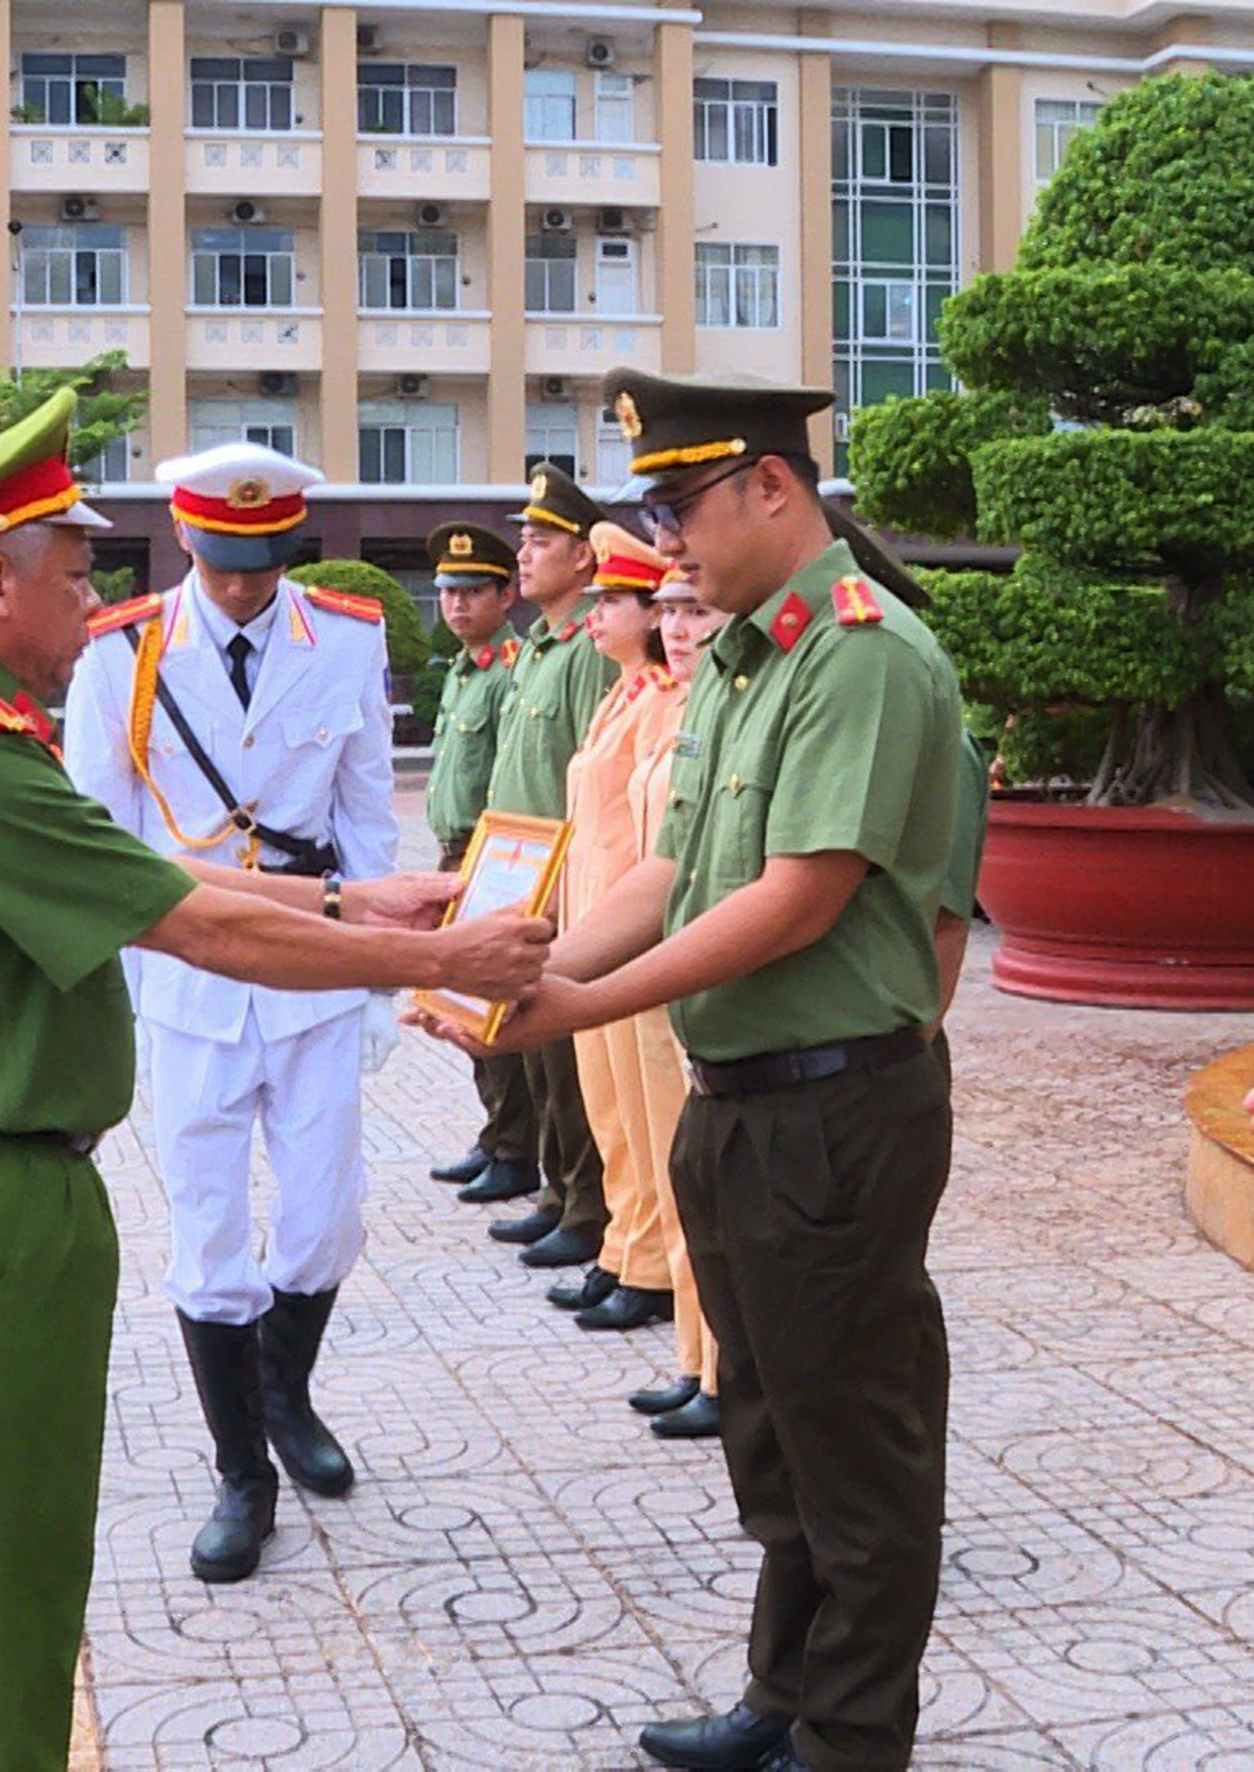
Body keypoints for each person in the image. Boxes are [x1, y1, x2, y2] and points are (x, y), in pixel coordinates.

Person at [0, 387, 550, 1772]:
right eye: (72, 569)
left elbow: (163, 874)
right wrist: (444, 947)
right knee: (8, 1557)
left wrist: (363, 900)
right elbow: (187, 920)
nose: (94, 593)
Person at [419, 368, 969, 1772]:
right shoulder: (737, 655)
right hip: (744, 1105)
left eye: (676, 504)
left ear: (769, 488)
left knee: (854, 1449)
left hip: (833, 1106)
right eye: (649, 507)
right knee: (768, 1430)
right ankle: (781, 1701)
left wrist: (574, 1005)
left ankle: (848, 1740)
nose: (657, 538)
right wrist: (535, 969)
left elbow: (795, 895)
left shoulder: (856, 652)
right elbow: (671, 869)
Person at [65, 442, 400, 1584]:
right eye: (222, 561)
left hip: (310, 965)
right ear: (184, 538)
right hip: (188, 977)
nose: (244, 584)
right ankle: (240, 1467)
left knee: (322, 1217)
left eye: (263, 562)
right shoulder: (122, 653)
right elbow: (95, 842)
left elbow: (366, 821)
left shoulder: (347, 636)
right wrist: (107, 997)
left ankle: (285, 1387)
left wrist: (379, 976)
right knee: (207, 1232)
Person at [469, 468, 615, 1264]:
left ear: (585, 559)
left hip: (567, 876)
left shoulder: (590, 647)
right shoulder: (537, 648)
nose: (522, 554)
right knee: (535, 1052)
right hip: (518, 872)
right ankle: (559, 1192)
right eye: (522, 539)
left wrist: (566, 886)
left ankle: (586, 1209)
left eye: (540, 541)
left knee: (567, 1054)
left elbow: (593, 772)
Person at [552, 523, 678, 1334]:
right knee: (608, 1108)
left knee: (648, 1109)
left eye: (612, 601)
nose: (595, 615)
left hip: (633, 930)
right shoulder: (622, 694)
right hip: (589, 920)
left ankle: (658, 1265)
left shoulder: (668, 699)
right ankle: (624, 1246)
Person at [623, 565, 729, 1441]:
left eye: (695, 610)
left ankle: (720, 1365)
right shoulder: (673, 707)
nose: (679, 627)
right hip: (645, 956)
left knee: (699, 1181)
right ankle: (695, 1355)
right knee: (667, 1163)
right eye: (668, 612)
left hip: (686, 967)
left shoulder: (716, 710)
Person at [417, 521, 535, 1203]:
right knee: (463, 1004)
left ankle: (517, 1149)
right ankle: (496, 1134)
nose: (456, 605)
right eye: (447, 593)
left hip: (495, 855)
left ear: (505, 595)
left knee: (496, 1007)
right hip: (455, 853)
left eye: (472, 592)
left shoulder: (510, 669)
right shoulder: (464, 670)